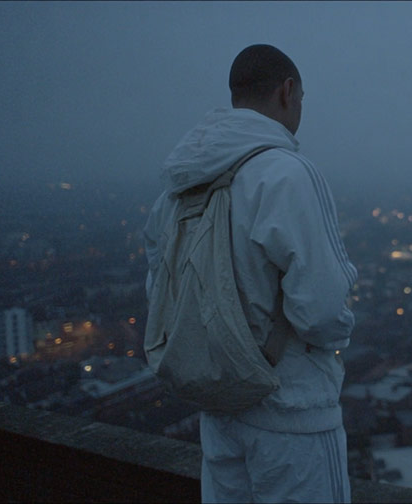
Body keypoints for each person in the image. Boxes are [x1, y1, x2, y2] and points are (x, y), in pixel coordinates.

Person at [143, 44, 356, 503]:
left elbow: (161, 289)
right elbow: (321, 312)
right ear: (288, 91)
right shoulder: (287, 174)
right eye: (301, 99)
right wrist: (342, 333)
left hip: (218, 408)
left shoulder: (179, 186)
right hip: (293, 413)